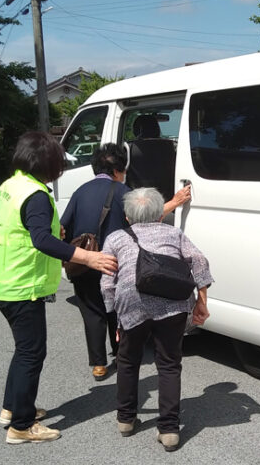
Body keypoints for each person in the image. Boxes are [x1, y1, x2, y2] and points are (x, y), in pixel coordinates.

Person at [0, 131, 118, 445]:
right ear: (49, 163)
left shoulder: (11, 186)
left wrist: (49, 229)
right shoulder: (36, 195)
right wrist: (90, 257)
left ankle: (12, 408)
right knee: (32, 353)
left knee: (24, 350)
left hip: (0, 281)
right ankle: (21, 426)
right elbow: (41, 240)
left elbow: (29, 228)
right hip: (21, 285)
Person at [61, 144, 192, 381]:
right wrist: (175, 201)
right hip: (114, 261)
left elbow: (64, 226)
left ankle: (99, 365)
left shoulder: (80, 192)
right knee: (115, 308)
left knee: (92, 312)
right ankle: (122, 354)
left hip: (85, 262)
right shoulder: (123, 191)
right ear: (118, 170)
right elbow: (148, 217)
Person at [100, 187, 213, 452]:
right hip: (173, 304)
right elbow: (199, 261)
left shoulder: (115, 238)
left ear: (127, 217)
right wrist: (202, 302)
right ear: (159, 214)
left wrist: (116, 320)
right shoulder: (174, 233)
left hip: (131, 304)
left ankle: (126, 420)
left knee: (127, 362)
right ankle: (169, 429)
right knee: (169, 364)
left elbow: (107, 284)